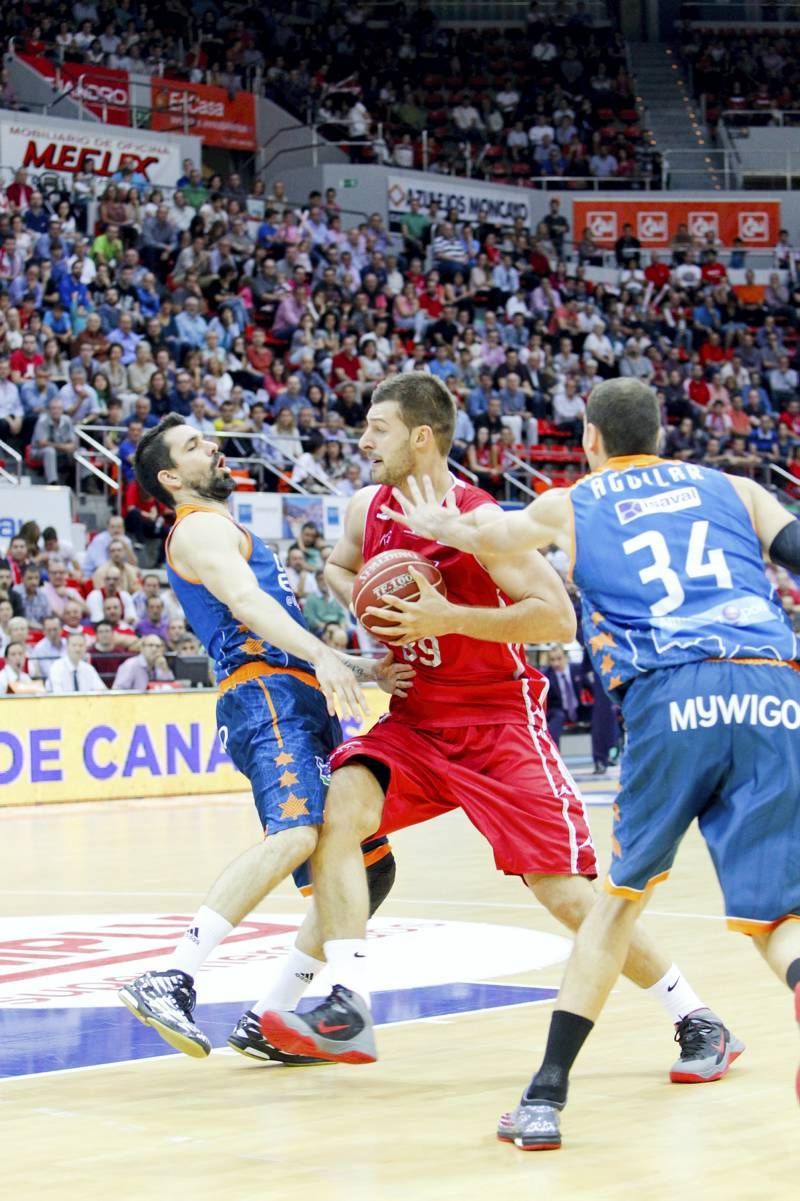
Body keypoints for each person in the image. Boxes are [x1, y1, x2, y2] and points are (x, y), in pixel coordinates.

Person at [259, 375, 734, 1080]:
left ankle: (697, 1015)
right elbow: (338, 566)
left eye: (377, 427)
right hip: (416, 721)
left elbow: (557, 618)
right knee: (342, 809)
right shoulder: (368, 506)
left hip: (497, 725)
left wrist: (445, 618)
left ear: (422, 437)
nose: (362, 440)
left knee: (567, 895)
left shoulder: (480, 520)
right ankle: (348, 1000)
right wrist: (378, 619)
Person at [382, 376, 800, 1148]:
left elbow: (492, 538)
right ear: (664, 434)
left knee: (615, 904)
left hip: (673, 690)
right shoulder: (738, 488)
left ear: (590, 439)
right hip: (775, 684)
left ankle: (545, 1097)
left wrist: (445, 522)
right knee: (780, 916)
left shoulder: (572, 501)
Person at [117, 414, 412, 1061]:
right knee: (299, 830)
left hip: (296, 691)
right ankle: (172, 973)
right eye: (195, 445)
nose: (213, 447)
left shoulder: (225, 527)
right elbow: (248, 602)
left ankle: (270, 1014)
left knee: (371, 864)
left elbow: (282, 612)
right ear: (170, 477)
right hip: (264, 694)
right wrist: (326, 657)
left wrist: (360, 666)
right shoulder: (198, 527)